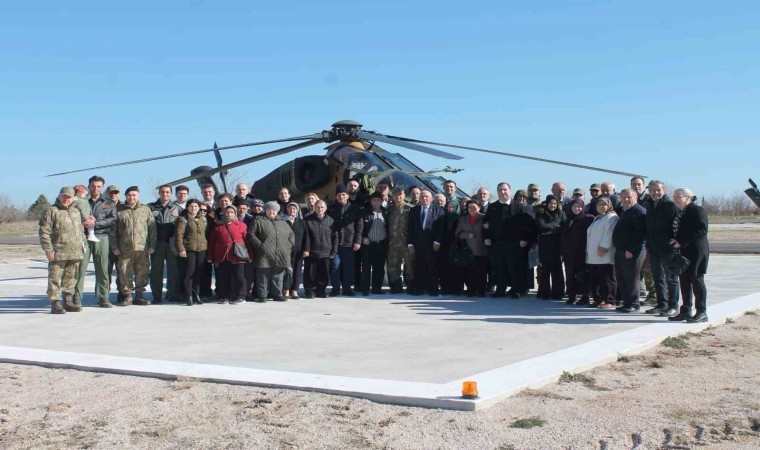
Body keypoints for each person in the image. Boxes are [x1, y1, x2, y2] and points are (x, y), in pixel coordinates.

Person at [39, 187, 86, 314]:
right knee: (55, 278)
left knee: (71, 278)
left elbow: (81, 231)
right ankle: (55, 303)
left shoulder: (76, 211)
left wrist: (84, 246)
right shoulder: (51, 211)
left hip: (75, 252)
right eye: (64, 196)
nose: (66, 199)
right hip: (58, 252)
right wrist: (48, 250)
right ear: (59, 196)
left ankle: (68, 301)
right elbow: (44, 232)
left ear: (72, 198)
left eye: (69, 197)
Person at [74, 176, 117, 308]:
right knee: (80, 269)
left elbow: (113, 219)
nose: (96, 189)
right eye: (93, 186)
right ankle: (76, 298)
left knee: (103, 269)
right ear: (89, 186)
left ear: (102, 187)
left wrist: (96, 223)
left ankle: (103, 297)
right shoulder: (79, 200)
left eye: (99, 186)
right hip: (83, 237)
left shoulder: (109, 203)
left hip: (101, 237)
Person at [484, 182, 534, 298]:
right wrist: (487, 237)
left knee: (514, 267)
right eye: (500, 190)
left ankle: (516, 290)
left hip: (515, 243)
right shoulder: (493, 207)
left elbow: (526, 225)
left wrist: (524, 239)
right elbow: (486, 224)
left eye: (505, 190)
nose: (503, 192)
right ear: (497, 192)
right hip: (497, 243)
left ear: (510, 191)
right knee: (499, 267)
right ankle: (500, 290)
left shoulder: (519, 206)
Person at [111, 186, 157, 306]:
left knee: (142, 272)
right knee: (124, 272)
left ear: (138, 196)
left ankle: (140, 296)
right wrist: (114, 246)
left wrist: (152, 244)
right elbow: (113, 231)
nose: (132, 197)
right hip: (124, 248)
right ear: (126, 196)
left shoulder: (145, 210)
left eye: (134, 195)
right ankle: (127, 296)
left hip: (143, 248)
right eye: (129, 195)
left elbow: (152, 229)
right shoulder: (119, 210)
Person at [669, 188, 709, 323]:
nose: (675, 200)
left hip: (696, 251)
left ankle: (701, 311)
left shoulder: (697, 210)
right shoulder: (681, 212)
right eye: (674, 197)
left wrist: (682, 242)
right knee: (684, 280)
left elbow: (702, 230)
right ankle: (686, 310)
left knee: (696, 280)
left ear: (688, 197)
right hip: (683, 251)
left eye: (678, 197)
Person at [644, 180, 681, 317]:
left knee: (671, 278)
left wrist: (673, 242)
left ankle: (673, 306)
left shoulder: (669, 205)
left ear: (664, 190)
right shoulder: (650, 205)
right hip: (653, 248)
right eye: (653, 190)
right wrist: (648, 245)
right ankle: (662, 304)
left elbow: (676, 225)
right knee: (657, 277)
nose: (655, 192)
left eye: (658, 190)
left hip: (667, 249)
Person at [248, 202, 295, 303]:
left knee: (278, 275)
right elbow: (251, 234)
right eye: (269, 210)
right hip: (264, 253)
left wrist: (289, 245)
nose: (271, 211)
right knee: (263, 275)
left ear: (277, 211)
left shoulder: (283, 222)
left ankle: (277, 294)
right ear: (265, 210)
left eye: (273, 210)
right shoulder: (258, 220)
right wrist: (260, 246)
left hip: (281, 253)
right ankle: (262, 295)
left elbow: (291, 234)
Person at [612, 189, 647, 313]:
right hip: (621, 250)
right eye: (623, 197)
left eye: (628, 197)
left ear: (635, 197)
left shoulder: (639, 211)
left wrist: (630, 249)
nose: (626, 200)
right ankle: (627, 302)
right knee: (622, 277)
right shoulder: (626, 211)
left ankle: (633, 303)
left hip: (632, 251)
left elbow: (640, 234)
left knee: (631, 277)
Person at [207, 205, 249, 304]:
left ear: (235, 214)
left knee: (239, 276)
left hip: (237, 255)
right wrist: (210, 256)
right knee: (223, 277)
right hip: (222, 255)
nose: (229, 214)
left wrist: (249, 254)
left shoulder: (241, 225)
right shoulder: (218, 227)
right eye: (227, 212)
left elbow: (246, 241)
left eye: (231, 212)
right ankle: (223, 296)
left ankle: (240, 296)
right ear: (224, 213)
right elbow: (212, 243)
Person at [407, 190, 445, 296]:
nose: (424, 198)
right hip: (418, 244)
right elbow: (410, 228)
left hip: (432, 244)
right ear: (419, 198)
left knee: (432, 267)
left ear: (431, 198)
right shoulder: (414, 210)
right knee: (419, 266)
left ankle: (432, 289)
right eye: (422, 196)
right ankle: (419, 289)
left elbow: (440, 228)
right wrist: (410, 244)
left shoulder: (439, 210)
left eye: (427, 196)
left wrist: (437, 241)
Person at [327, 185, 363, 296]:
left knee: (348, 267)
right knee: (335, 267)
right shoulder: (331, 209)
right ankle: (336, 289)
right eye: (339, 195)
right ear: (336, 196)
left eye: (343, 194)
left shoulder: (355, 208)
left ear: (347, 196)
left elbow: (359, 225)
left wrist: (357, 241)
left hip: (349, 242)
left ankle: (347, 288)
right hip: (334, 244)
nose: (341, 196)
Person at [149, 184, 182, 303]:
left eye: (168, 192)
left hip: (172, 244)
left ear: (171, 194)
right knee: (156, 271)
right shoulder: (151, 207)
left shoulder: (177, 208)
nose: (165, 194)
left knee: (173, 271)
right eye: (163, 192)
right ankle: (156, 296)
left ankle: (174, 295)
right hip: (157, 243)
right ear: (159, 193)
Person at [585, 196, 619, 308]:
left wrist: (603, 247)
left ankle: (609, 300)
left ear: (609, 205)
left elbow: (609, 234)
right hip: (594, 255)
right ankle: (599, 299)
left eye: (604, 204)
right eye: (599, 204)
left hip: (604, 253)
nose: (601, 207)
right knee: (597, 278)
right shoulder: (598, 218)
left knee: (607, 278)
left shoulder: (612, 217)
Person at [175, 199, 207, 306]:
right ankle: (188, 295)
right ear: (187, 207)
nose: (193, 208)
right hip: (189, 250)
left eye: (196, 207)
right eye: (191, 206)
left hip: (201, 249)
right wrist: (181, 249)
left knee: (198, 273)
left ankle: (196, 294)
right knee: (189, 272)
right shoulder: (183, 219)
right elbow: (179, 235)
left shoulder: (202, 219)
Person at [561, 199, 593, 305]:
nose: (577, 209)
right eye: (574, 206)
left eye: (579, 207)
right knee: (570, 274)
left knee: (583, 275)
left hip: (582, 252)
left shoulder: (587, 219)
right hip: (569, 253)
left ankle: (585, 296)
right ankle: (572, 295)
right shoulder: (568, 219)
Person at [302, 200, 338, 298]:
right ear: (314, 208)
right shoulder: (308, 220)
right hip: (312, 252)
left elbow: (335, 237)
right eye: (318, 207)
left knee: (323, 273)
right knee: (310, 273)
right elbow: (306, 236)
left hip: (326, 252)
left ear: (325, 208)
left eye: (322, 207)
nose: (320, 209)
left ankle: (321, 290)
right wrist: (306, 249)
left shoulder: (331, 220)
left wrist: (334, 251)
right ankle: (310, 291)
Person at [454, 200, 488, 296]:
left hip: (482, 249)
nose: (472, 209)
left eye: (474, 207)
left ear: (479, 207)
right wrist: (467, 235)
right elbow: (458, 234)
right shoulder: (463, 219)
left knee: (481, 271)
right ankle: (471, 290)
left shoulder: (484, 218)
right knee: (470, 271)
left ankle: (481, 290)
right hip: (468, 250)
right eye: (470, 207)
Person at [535, 195, 566, 300]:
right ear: (547, 204)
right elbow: (542, 227)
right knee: (545, 270)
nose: (553, 205)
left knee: (557, 271)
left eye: (554, 203)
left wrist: (550, 229)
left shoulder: (561, 214)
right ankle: (544, 292)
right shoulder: (540, 214)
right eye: (550, 203)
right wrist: (556, 226)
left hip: (558, 246)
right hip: (545, 246)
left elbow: (564, 228)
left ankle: (558, 292)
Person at [360, 192, 389, 295]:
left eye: (378, 200)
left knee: (379, 268)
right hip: (368, 245)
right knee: (366, 268)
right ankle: (365, 289)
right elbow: (360, 227)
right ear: (371, 201)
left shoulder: (385, 212)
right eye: (374, 200)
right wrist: (363, 238)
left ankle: (377, 288)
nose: (376, 202)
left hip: (381, 244)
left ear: (381, 201)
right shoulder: (365, 212)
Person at [387, 187, 414, 294]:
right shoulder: (390, 209)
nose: (398, 197)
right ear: (392, 196)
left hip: (406, 242)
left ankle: (411, 286)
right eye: (396, 195)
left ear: (404, 196)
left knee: (410, 265)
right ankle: (396, 287)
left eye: (400, 194)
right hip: (393, 243)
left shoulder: (410, 209)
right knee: (393, 265)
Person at [282, 202, 305, 299]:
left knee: (297, 270)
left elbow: (306, 237)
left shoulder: (302, 222)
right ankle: (286, 289)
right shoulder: (282, 221)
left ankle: (295, 290)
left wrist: (306, 249)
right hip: (286, 250)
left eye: (294, 209)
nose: (292, 210)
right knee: (287, 270)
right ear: (287, 210)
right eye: (290, 208)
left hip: (299, 250)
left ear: (297, 210)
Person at [106, 184, 122, 294]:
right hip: (106, 242)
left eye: (115, 193)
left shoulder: (124, 206)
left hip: (121, 243)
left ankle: (122, 292)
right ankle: (105, 293)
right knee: (106, 270)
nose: (113, 195)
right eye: (111, 193)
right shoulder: (103, 205)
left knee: (122, 270)